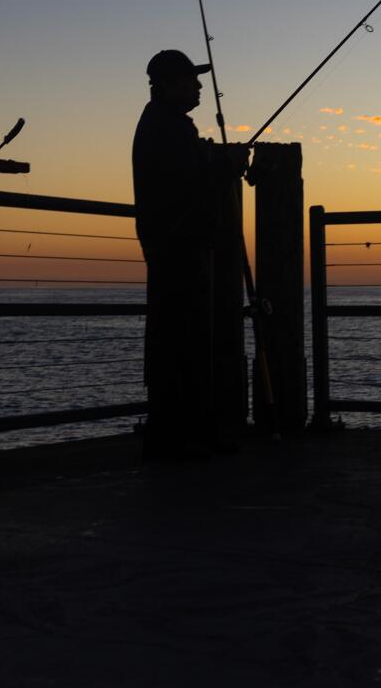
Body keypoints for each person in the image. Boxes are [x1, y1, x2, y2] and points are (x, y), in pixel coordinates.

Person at [132, 49, 248, 459]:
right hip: (179, 247)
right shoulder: (169, 128)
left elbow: (189, 170)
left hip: (172, 246)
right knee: (188, 343)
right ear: (166, 84)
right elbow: (189, 181)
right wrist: (227, 163)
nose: (199, 86)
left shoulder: (162, 126)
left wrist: (217, 160)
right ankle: (186, 436)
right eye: (189, 80)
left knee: (177, 342)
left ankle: (177, 434)